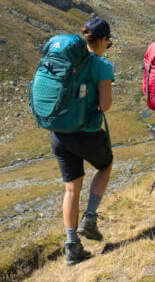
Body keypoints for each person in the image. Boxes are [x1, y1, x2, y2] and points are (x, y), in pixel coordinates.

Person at [50, 16, 116, 266]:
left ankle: (72, 247)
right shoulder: (100, 64)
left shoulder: (65, 59)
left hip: (58, 134)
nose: (107, 46)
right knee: (105, 165)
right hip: (85, 133)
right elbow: (105, 105)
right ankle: (89, 218)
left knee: (70, 189)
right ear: (101, 40)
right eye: (107, 42)